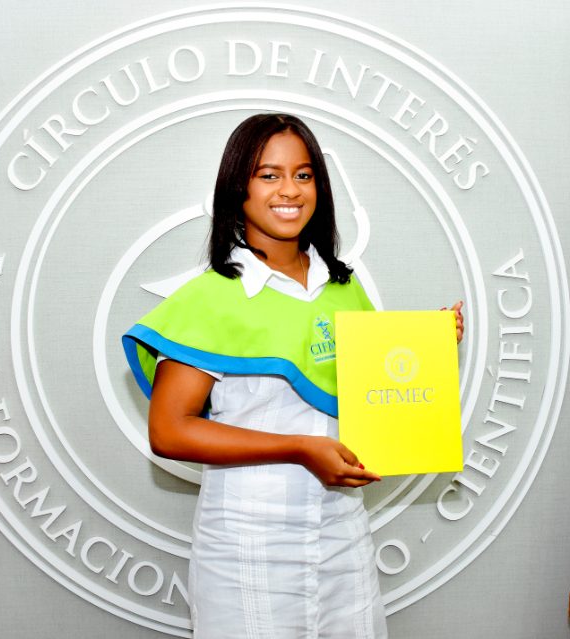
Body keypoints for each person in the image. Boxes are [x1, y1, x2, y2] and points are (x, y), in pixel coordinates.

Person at [122, 113, 464, 638]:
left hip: (343, 534)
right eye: (269, 175)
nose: (289, 190)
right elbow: (169, 431)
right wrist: (299, 448)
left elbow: (369, 398)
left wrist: (425, 347)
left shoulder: (344, 288)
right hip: (247, 542)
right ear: (238, 188)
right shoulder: (210, 299)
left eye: (303, 175)